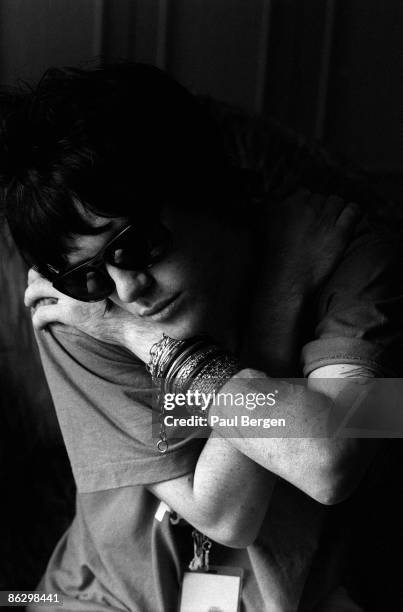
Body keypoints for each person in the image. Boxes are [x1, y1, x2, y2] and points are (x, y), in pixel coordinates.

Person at [1, 63, 402, 611]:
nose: (128, 291)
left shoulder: (362, 258)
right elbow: (224, 515)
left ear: (202, 188)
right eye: (92, 274)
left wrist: (179, 343)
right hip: (99, 596)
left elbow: (333, 464)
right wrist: (153, 341)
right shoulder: (79, 313)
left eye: (133, 245)